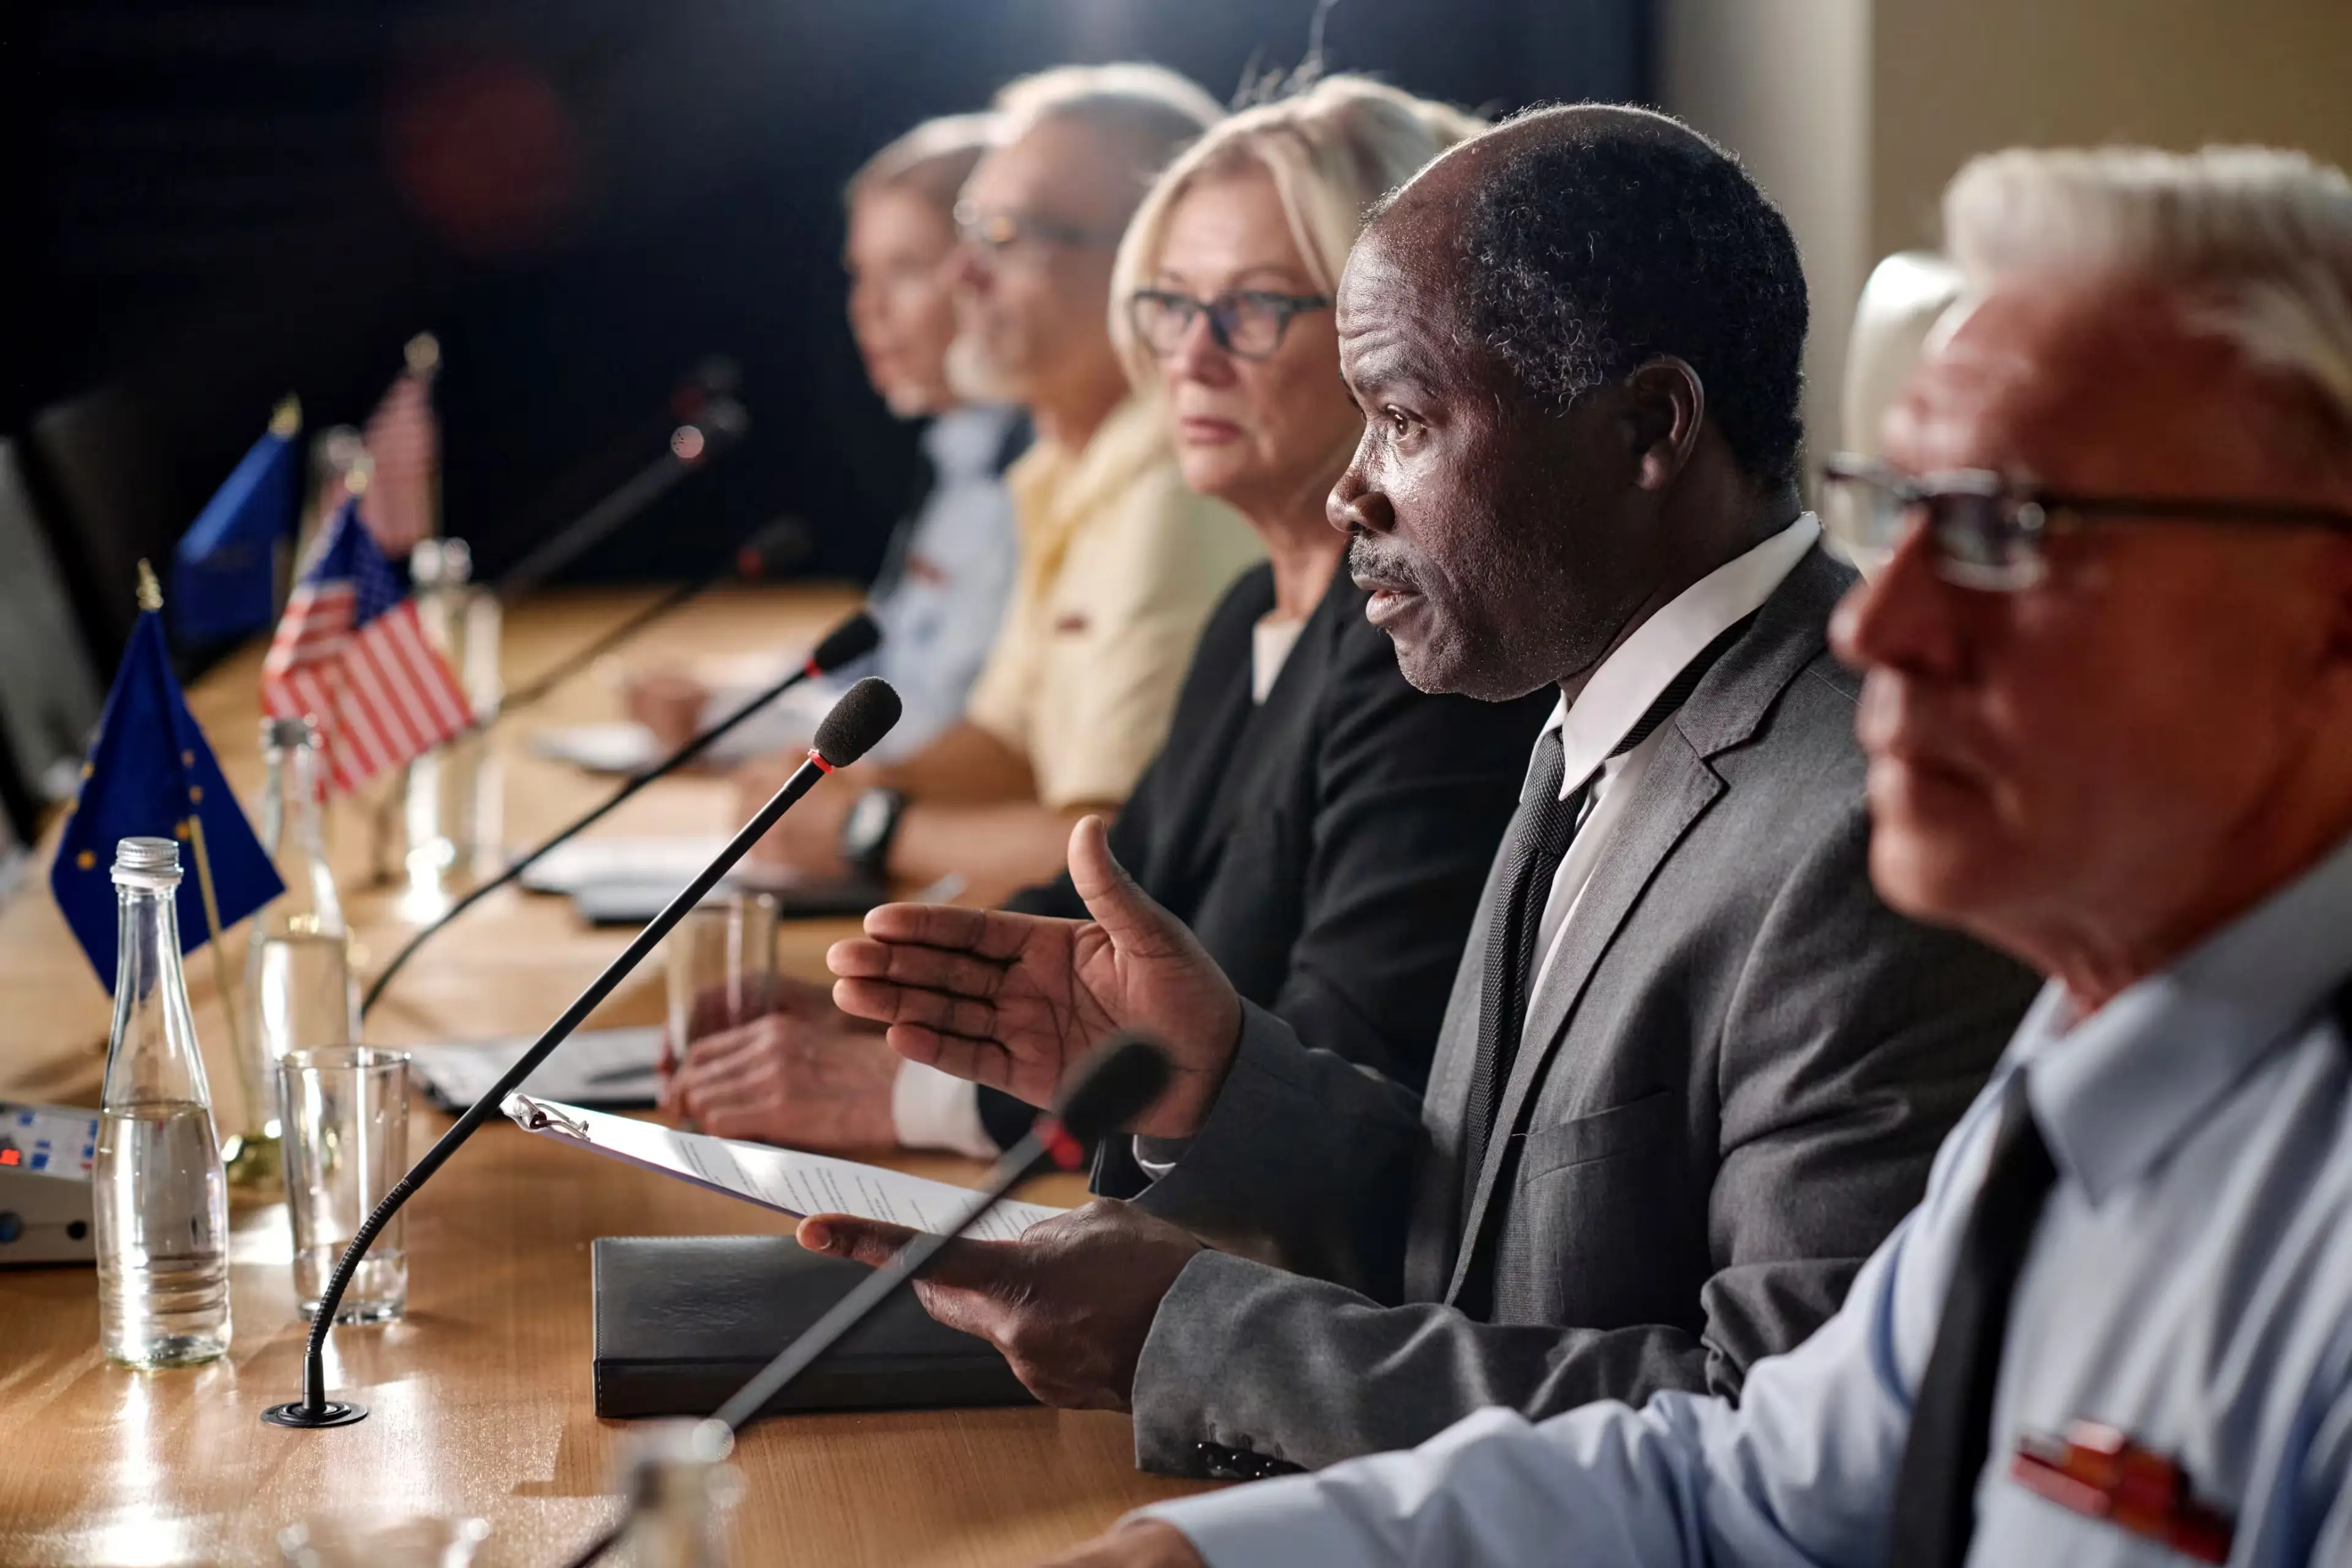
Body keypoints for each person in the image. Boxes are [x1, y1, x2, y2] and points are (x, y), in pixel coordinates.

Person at [1037, 142, 2352, 1567]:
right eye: (1900, 510)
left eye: (1998, 528)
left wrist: (1206, 1340)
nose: (1876, 621)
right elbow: (1756, 1481)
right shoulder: (2089, 1053)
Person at [807, 105, 2039, 1477]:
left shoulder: (1868, 830)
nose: (1350, 491)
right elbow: (1490, 1241)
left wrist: (1198, 1338)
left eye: (1400, 417)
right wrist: (1219, 1089)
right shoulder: (1586, 695)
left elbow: (1782, 1432)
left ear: (1648, 426)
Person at [661, 78, 1555, 1159]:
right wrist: (900, 1014)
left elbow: (1328, 1073)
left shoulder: (1428, 656)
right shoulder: (1252, 616)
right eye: (1171, 305)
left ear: (1390, 339)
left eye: (1257, 306)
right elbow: (1115, 895)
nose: (1191, 356)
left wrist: (908, 1099)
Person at [737, 65, 1263, 897]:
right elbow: (1008, 746)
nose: (962, 277)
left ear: (1154, 263)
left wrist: (868, 825)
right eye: (969, 232)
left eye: (1007, 237)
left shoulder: (1180, 483)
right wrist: (829, 784)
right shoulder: (1064, 462)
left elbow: (1118, 856)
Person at [625, 113, 1026, 766]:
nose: (866, 309)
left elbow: (953, 733)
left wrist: (724, 718)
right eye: (859, 274)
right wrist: (735, 690)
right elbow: (885, 656)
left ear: (984, 273)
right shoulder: (960, 452)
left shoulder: (1030, 470)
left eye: (905, 269)